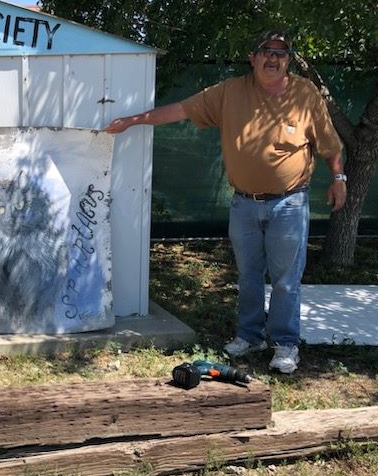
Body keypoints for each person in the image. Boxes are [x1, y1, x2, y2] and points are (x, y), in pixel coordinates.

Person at [106, 30, 346, 374]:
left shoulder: (305, 94)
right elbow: (182, 109)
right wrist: (133, 120)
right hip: (244, 204)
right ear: (253, 57)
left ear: (288, 60)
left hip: (290, 204)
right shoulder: (230, 91)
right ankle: (250, 336)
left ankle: (285, 344)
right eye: (266, 51)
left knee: (286, 279)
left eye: (281, 53)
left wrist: (339, 178)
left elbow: (330, 144)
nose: (273, 59)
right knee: (248, 276)